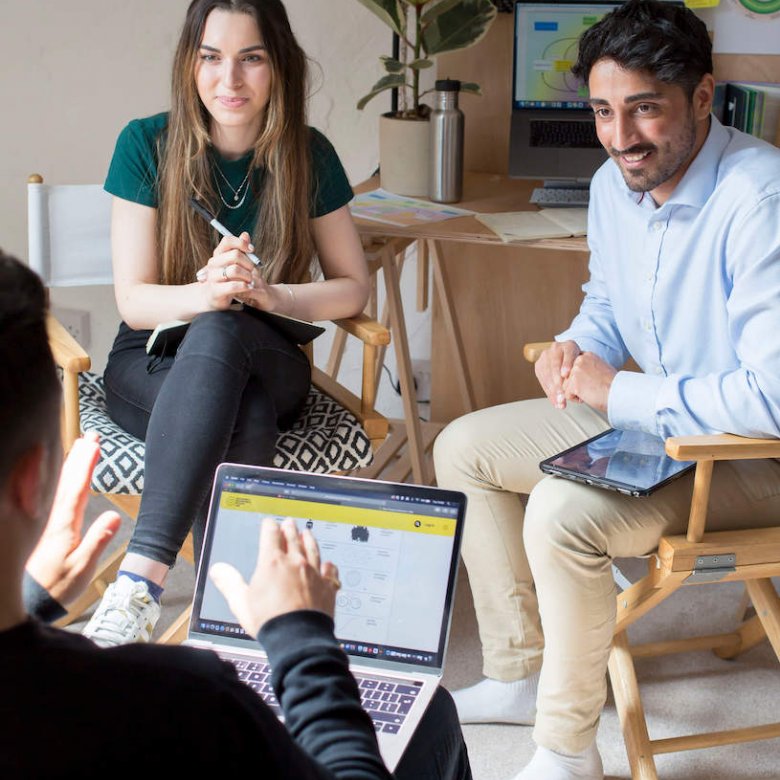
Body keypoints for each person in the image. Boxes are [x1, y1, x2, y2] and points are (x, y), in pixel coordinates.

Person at [433, 2, 780, 779]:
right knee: (462, 447)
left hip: (751, 458)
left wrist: (616, 391)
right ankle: (524, 672)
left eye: (645, 109)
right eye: (602, 111)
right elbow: (607, 305)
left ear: (701, 97)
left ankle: (566, 749)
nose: (621, 136)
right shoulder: (611, 183)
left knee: (564, 512)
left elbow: (772, 399)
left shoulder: (760, 198)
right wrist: (576, 349)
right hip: (654, 429)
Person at [0, 249, 471, 778]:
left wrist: (30, 605)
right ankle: (226, 610)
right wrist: (302, 638)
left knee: (237, 378)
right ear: (34, 479)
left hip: (250, 352)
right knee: (434, 711)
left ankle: (145, 583)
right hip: (164, 359)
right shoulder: (186, 700)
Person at [83, 0, 370, 647]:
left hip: (267, 345)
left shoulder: (309, 154)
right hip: (153, 356)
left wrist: (269, 296)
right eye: (211, 57)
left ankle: (139, 581)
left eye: (251, 59)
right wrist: (206, 291)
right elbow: (134, 302)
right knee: (244, 400)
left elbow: (354, 286)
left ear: (279, 68)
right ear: (191, 63)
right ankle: (233, 619)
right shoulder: (145, 143)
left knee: (227, 335)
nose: (228, 80)